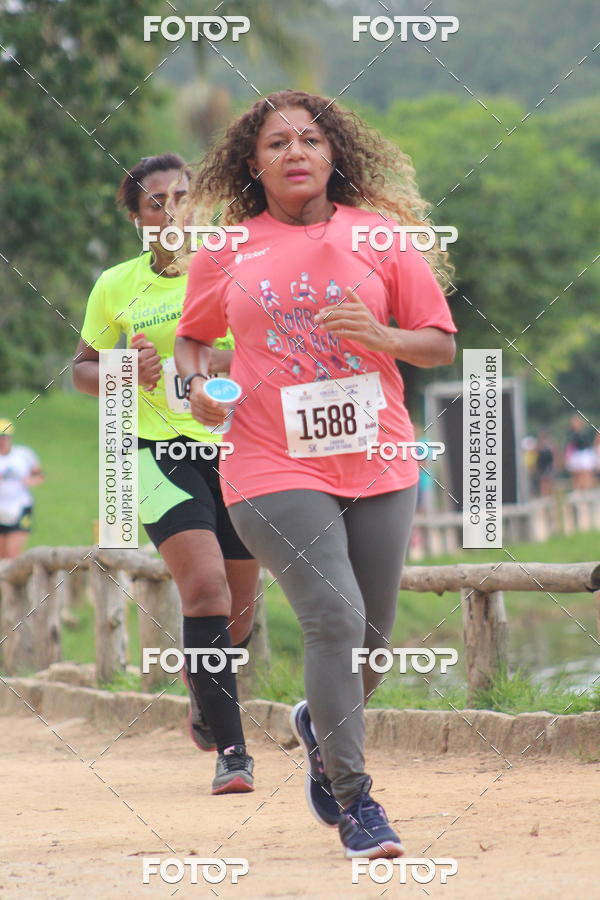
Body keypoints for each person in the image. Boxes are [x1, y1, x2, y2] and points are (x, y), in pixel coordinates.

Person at [174, 90, 457, 858]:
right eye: (276, 143)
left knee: (370, 641)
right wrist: (196, 387)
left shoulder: (383, 237)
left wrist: (383, 335)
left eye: (309, 139)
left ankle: (315, 721)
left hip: (380, 457)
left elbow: (437, 344)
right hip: (269, 462)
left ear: (335, 155)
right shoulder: (227, 249)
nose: (295, 152)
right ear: (253, 164)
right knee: (331, 620)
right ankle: (356, 801)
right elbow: (194, 341)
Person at [72, 153, 260, 794]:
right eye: (158, 201)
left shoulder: (233, 270)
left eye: (185, 196)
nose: (174, 210)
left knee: (238, 612)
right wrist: (127, 369)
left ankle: (204, 693)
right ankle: (233, 755)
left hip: (239, 452)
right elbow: (81, 370)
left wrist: (211, 363)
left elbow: (266, 352)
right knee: (205, 590)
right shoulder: (115, 286)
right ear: (136, 216)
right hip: (156, 453)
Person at [0, 419, 44, 559]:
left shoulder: (24, 454)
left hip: (21, 506)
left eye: (4, 437)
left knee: (13, 553)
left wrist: (30, 481)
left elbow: (39, 475)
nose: (2, 441)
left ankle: (14, 581)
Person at [564, 415, 595, 490]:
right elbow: (570, 445)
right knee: (576, 473)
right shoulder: (571, 433)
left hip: (584, 453)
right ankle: (578, 489)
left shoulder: (585, 432)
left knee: (586, 472)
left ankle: (587, 488)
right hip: (575, 453)